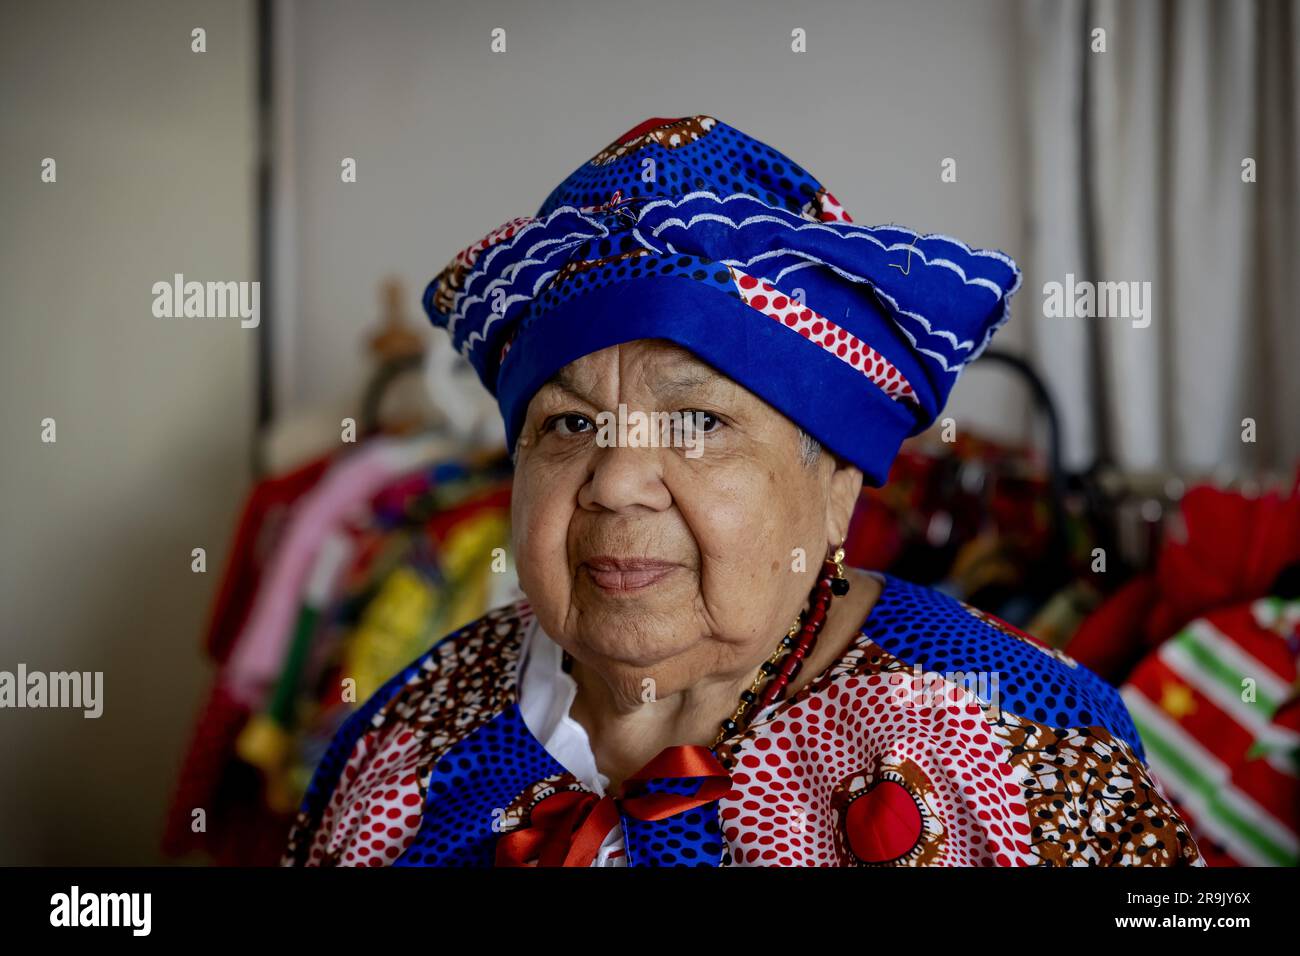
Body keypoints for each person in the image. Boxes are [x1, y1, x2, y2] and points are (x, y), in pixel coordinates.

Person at [282, 116, 1202, 867]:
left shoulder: (1017, 733)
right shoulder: (403, 745)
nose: (617, 483)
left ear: (837, 485)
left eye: (699, 423)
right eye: (567, 425)